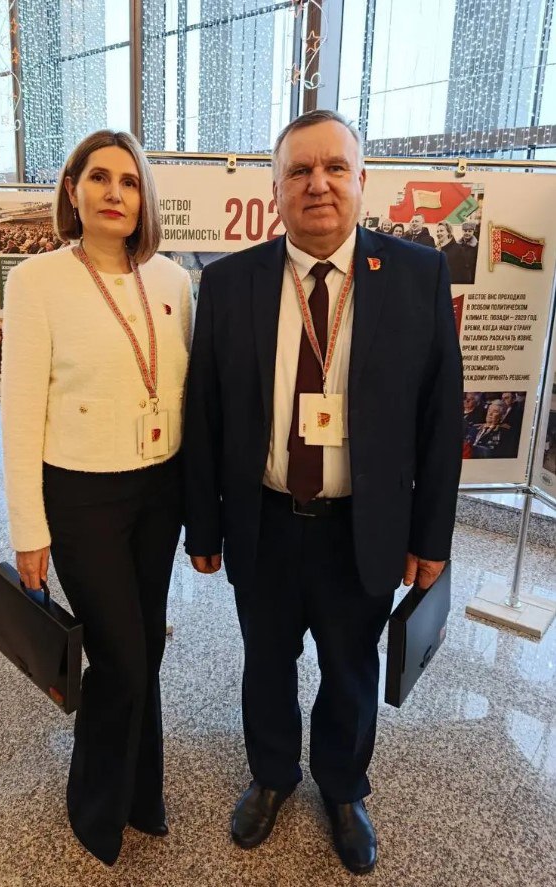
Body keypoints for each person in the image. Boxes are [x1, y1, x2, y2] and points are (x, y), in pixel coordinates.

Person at [183, 110, 463, 876]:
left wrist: (430, 538)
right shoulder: (229, 282)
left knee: (350, 666)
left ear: (361, 180)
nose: (318, 184)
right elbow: (204, 414)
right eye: (299, 171)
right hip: (264, 521)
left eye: (334, 167)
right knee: (265, 661)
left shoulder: (415, 276)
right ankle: (272, 774)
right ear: (274, 191)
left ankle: (342, 787)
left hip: (361, 525)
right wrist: (201, 527)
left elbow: (441, 418)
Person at [1, 129, 192, 867]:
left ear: (145, 198)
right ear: (72, 190)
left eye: (130, 181)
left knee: (147, 646)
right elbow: (20, 412)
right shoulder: (38, 281)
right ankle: (96, 806)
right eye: (100, 178)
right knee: (119, 656)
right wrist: (29, 527)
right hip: (81, 494)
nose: (116, 193)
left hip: (160, 488)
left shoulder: (171, 280)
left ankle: (143, 797)